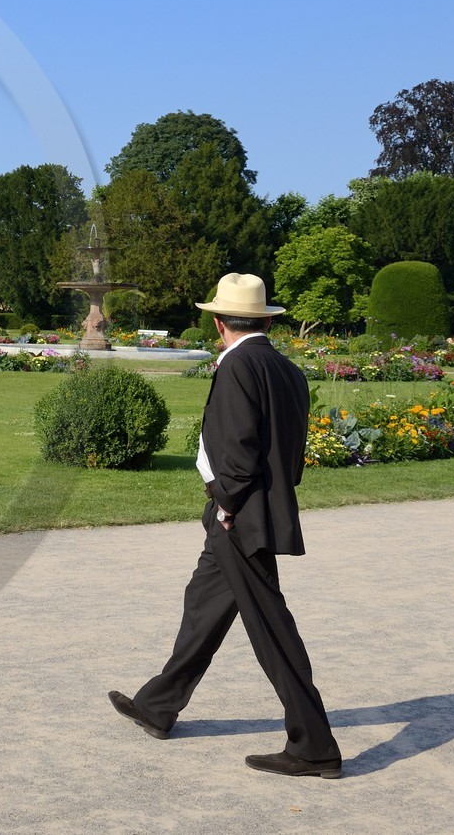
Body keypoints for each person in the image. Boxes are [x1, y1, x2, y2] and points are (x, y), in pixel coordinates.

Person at [109, 273, 342, 779]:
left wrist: (228, 502)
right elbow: (288, 449)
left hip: (238, 514)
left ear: (218, 322)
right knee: (205, 602)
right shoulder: (285, 368)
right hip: (251, 509)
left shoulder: (239, 365)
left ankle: (315, 746)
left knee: (270, 627)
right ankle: (159, 704)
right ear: (264, 319)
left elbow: (237, 446)